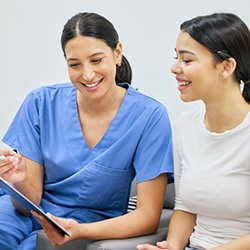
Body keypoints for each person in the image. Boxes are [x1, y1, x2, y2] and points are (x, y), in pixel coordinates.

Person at [0, 12, 174, 249]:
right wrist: (19, 182)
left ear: (117, 53)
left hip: (84, 224)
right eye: (75, 64)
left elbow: (148, 217)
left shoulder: (149, 117)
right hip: (22, 213)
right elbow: (28, 205)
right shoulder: (41, 102)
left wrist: (80, 231)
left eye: (96, 60)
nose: (88, 74)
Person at [137, 12, 250, 250]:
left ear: (226, 67)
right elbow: (185, 208)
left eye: (187, 61)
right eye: (176, 57)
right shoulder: (185, 125)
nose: (174, 68)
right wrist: (173, 246)